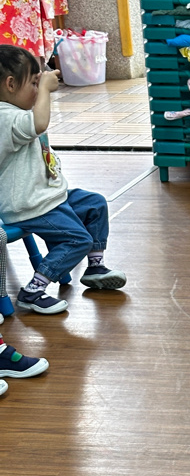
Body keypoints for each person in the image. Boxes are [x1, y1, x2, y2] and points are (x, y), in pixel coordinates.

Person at [0, 47, 126, 315]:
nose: (38, 89)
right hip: (29, 205)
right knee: (77, 239)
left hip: (48, 195)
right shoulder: (3, 117)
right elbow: (38, 124)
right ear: (10, 84)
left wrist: (40, 86)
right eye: (33, 83)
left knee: (95, 204)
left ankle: (95, 268)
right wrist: (45, 90)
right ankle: (33, 291)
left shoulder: (16, 112)